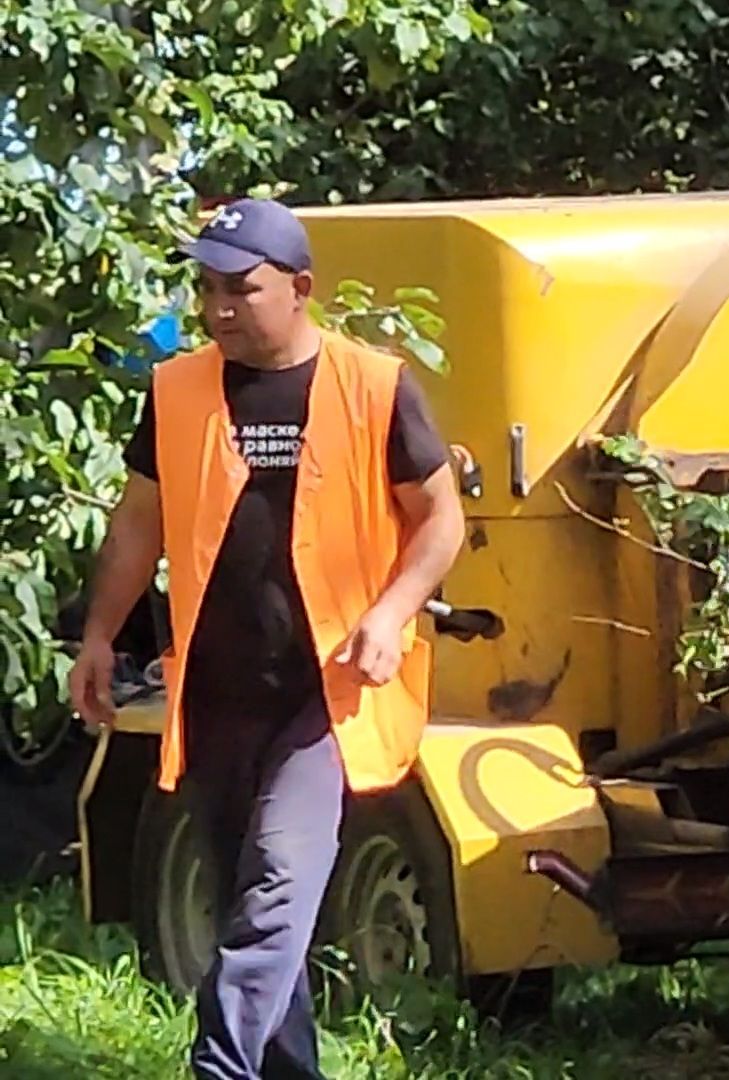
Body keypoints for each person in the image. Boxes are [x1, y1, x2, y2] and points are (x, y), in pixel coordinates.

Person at [67, 197, 465, 1079]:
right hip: (213, 695)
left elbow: (441, 519)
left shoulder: (375, 386)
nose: (218, 310)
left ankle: (219, 1065)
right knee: (251, 899)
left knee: (279, 882)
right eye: (208, 290)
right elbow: (138, 524)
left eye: (240, 290)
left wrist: (392, 611)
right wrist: (98, 636)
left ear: (300, 287)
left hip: (324, 695)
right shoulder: (177, 391)